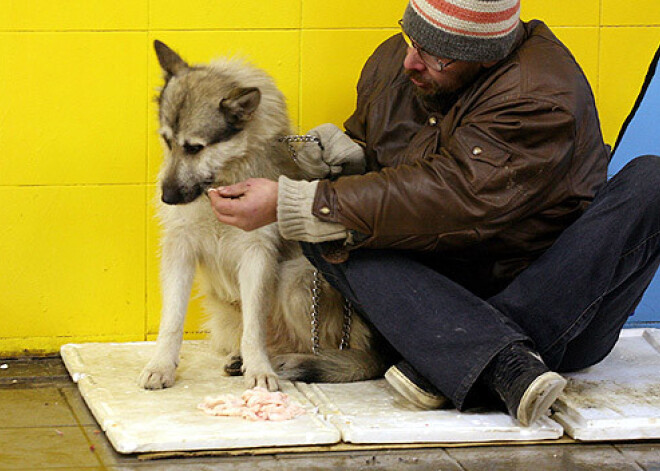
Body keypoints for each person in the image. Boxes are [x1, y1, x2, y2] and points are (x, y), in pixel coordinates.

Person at [207, 0, 660, 426]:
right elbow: (394, 169)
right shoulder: (399, 61)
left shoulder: (538, 92)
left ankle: (480, 359)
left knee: (651, 180)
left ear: (486, 58)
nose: (411, 62)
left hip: (559, 311)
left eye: (438, 56)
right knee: (325, 223)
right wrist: (351, 156)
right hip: (433, 305)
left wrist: (298, 201)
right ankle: (487, 360)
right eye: (411, 39)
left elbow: (453, 196)